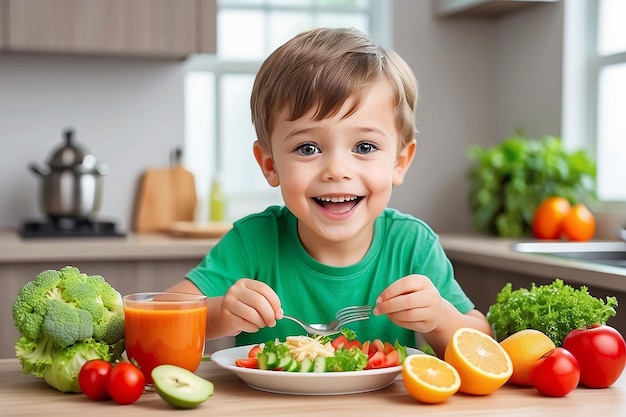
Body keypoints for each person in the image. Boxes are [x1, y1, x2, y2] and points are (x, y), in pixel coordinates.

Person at [167, 27, 492, 357]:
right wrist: (218, 314)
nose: (337, 170)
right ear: (270, 165)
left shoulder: (413, 246)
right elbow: (162, 313)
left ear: (400, 162)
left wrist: (441, 319)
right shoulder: (252, 241)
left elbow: (484, 345)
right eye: (308, 148)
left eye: (364, 146)